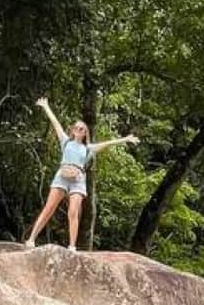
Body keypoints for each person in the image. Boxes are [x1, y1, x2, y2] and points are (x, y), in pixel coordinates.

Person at [25, 100, 139, 252]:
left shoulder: (88, 149)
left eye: (82, 128)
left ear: (85, 133)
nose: (79, 130)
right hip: (62, 176)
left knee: (73, 212)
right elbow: (56, 123)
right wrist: (46, 107)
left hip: (78, 180)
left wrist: (125, 139)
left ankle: (72, 246)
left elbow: (108, 143)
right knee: (49, 208)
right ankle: (31, 239)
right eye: (77, 128)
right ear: (73, 131)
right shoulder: (65, 142)